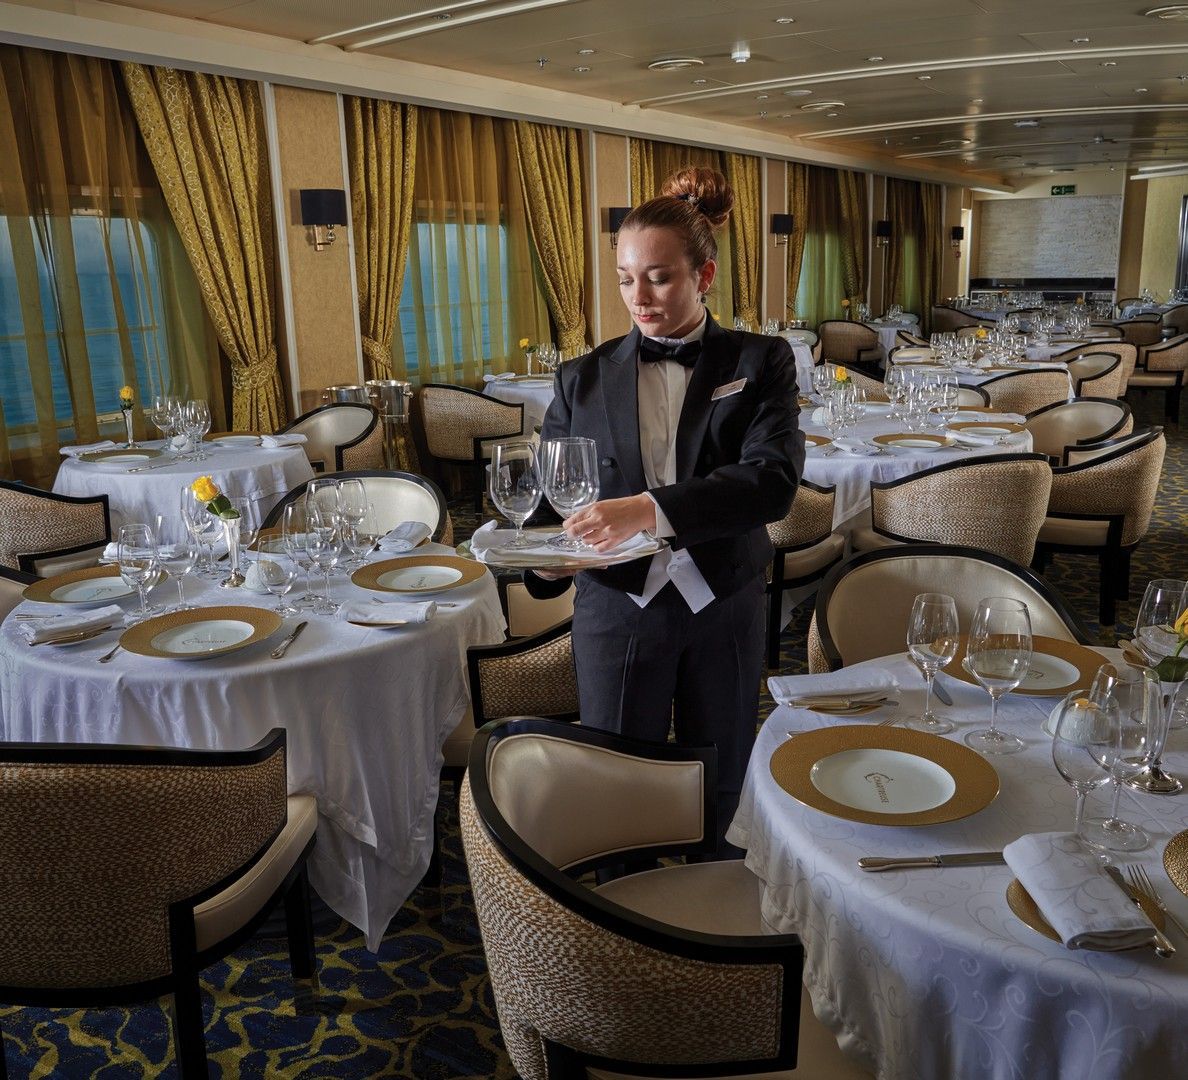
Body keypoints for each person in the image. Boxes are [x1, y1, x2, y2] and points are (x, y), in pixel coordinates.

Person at [526, 166, 804, 855]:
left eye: (659, 277)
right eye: (626, 278)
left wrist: (647, 510)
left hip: (725, 599)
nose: (639, 297)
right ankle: (627, 918)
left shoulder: (760, 360)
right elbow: (551, 500)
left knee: (723, 773)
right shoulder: (581, 376)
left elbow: (771, 483)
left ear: (704, 276)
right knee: (616, 777)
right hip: (618, 609)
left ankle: (720, 914)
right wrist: (542, 565)